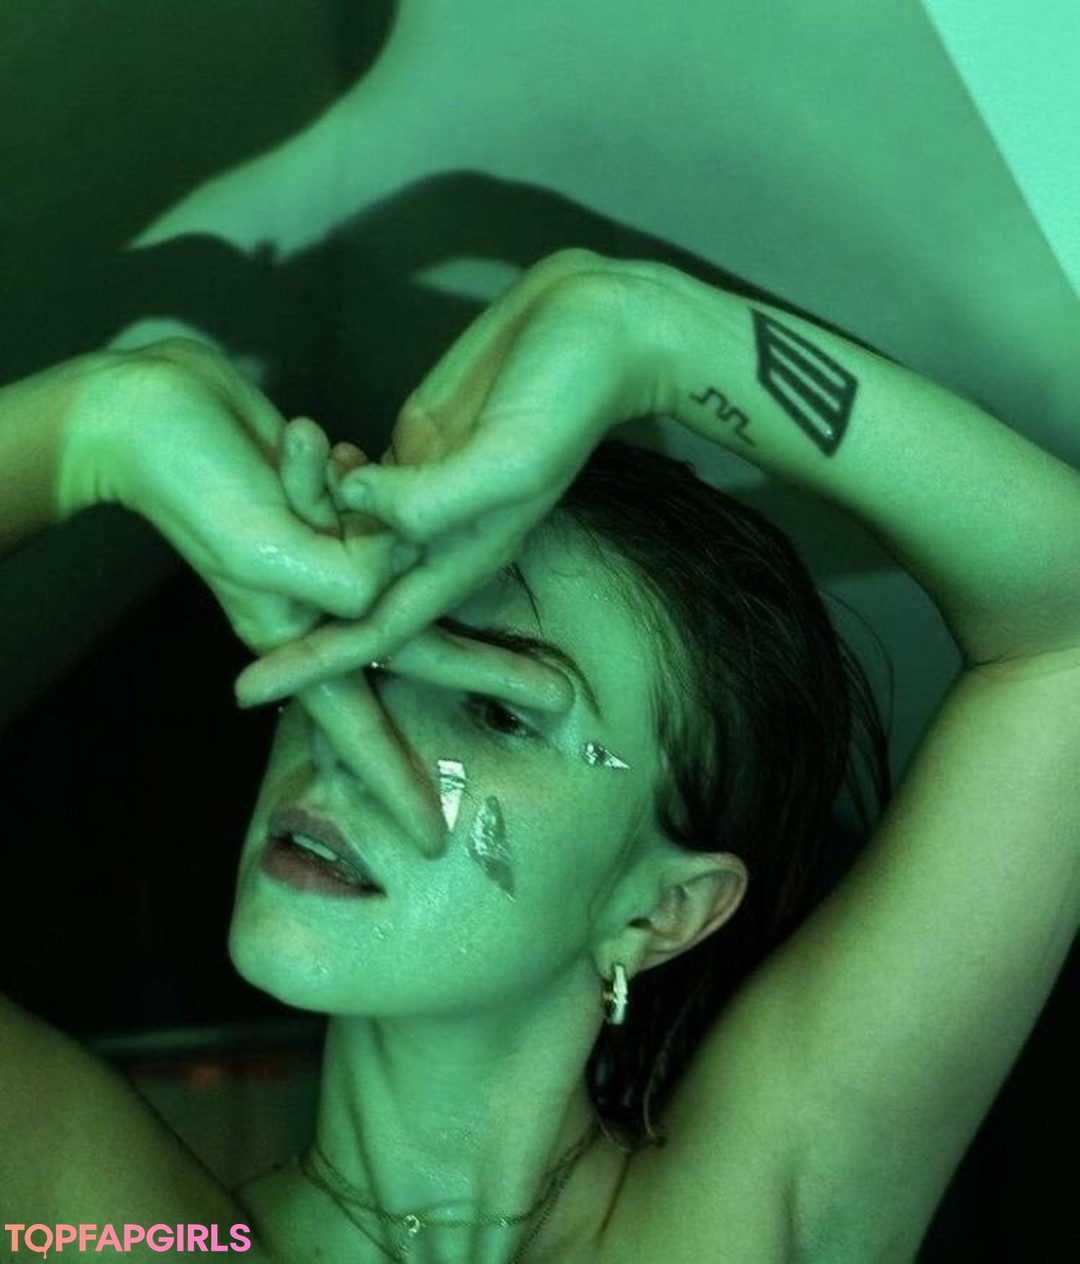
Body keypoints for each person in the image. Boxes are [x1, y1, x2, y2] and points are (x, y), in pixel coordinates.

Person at [1, 249, 1077, 1263]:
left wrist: (659, 329)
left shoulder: (745, 1225)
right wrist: (95, 422)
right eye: (359, 655)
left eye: (498, 712)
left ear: (664, 908)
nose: (346, 738)